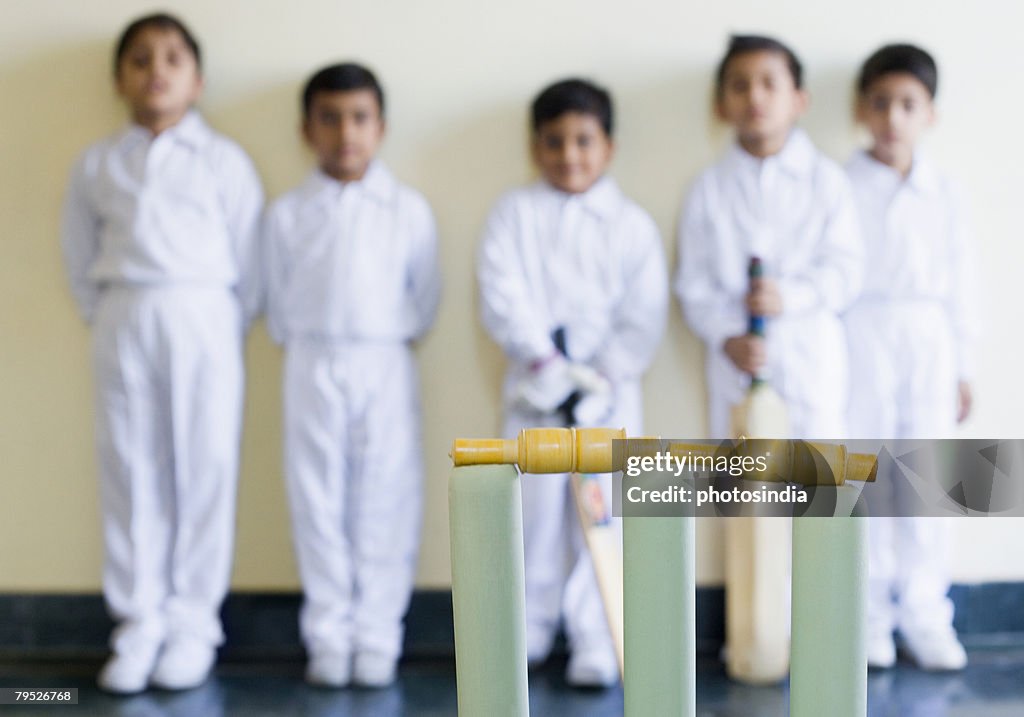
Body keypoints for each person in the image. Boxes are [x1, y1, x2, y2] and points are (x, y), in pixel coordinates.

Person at [61, 13, 263, 693]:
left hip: (204, 313)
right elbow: (77, 250)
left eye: (172, 58)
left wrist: (220, 317)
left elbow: (250, 258)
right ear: (120, 78)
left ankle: (192, 625)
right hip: (125, 311)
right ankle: (138, 623)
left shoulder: (224, 161)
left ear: (197, 79)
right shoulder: (98, 163)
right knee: (129, 468)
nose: (156, 72)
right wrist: (108, 313)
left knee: (203, 466)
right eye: (140, 60)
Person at [477, 78, 668, 687]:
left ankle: (595, 632)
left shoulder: (631, 225)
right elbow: (500, 292)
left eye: (583, 140)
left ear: (607, 146)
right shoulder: (514, 213)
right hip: (536, 392)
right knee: (531, 511)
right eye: (554, 141)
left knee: (602, 509)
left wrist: (599, 375)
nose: (569, 155)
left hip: (607, 398)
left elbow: (644, 313)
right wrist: (545, 364)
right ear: (536, 146)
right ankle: (529, 626)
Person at [263, 63, 441, 688]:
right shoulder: (287, 214)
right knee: (318, 499)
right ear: (306, 129)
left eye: (359, 118)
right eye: (330, 118)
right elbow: (277, 298)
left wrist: (382, 336)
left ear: (381, 127)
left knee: (385, 497)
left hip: (385, 359)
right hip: (312, 360)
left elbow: (424, 297)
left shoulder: (407, 210)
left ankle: (377, 635)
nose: (346, 133)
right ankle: (329, 636)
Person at [845, 43, 975, 671]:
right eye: (881, 102)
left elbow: (963, 283)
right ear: (860, 109)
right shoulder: (839, 185)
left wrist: (963, 363)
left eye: (908, 104)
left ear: (930, 114)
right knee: (865, 477)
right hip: (860, 336)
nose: (893, 117)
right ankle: (867, 616)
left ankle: (926, 614)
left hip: (929, 338)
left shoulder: (944, 192)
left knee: (934, 479)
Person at [675, 35, 862, 441]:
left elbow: (846, 271)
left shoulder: (827, 182)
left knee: (819, 495)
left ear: (799, 100)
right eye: (739, 85)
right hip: (736, 369)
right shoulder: (707, 190)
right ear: (720, 104)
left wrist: (789, 298)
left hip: (809, 359)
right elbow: (693, 286)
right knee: (745, 496)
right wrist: (727, 337)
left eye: (769, 83)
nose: (754, 96)